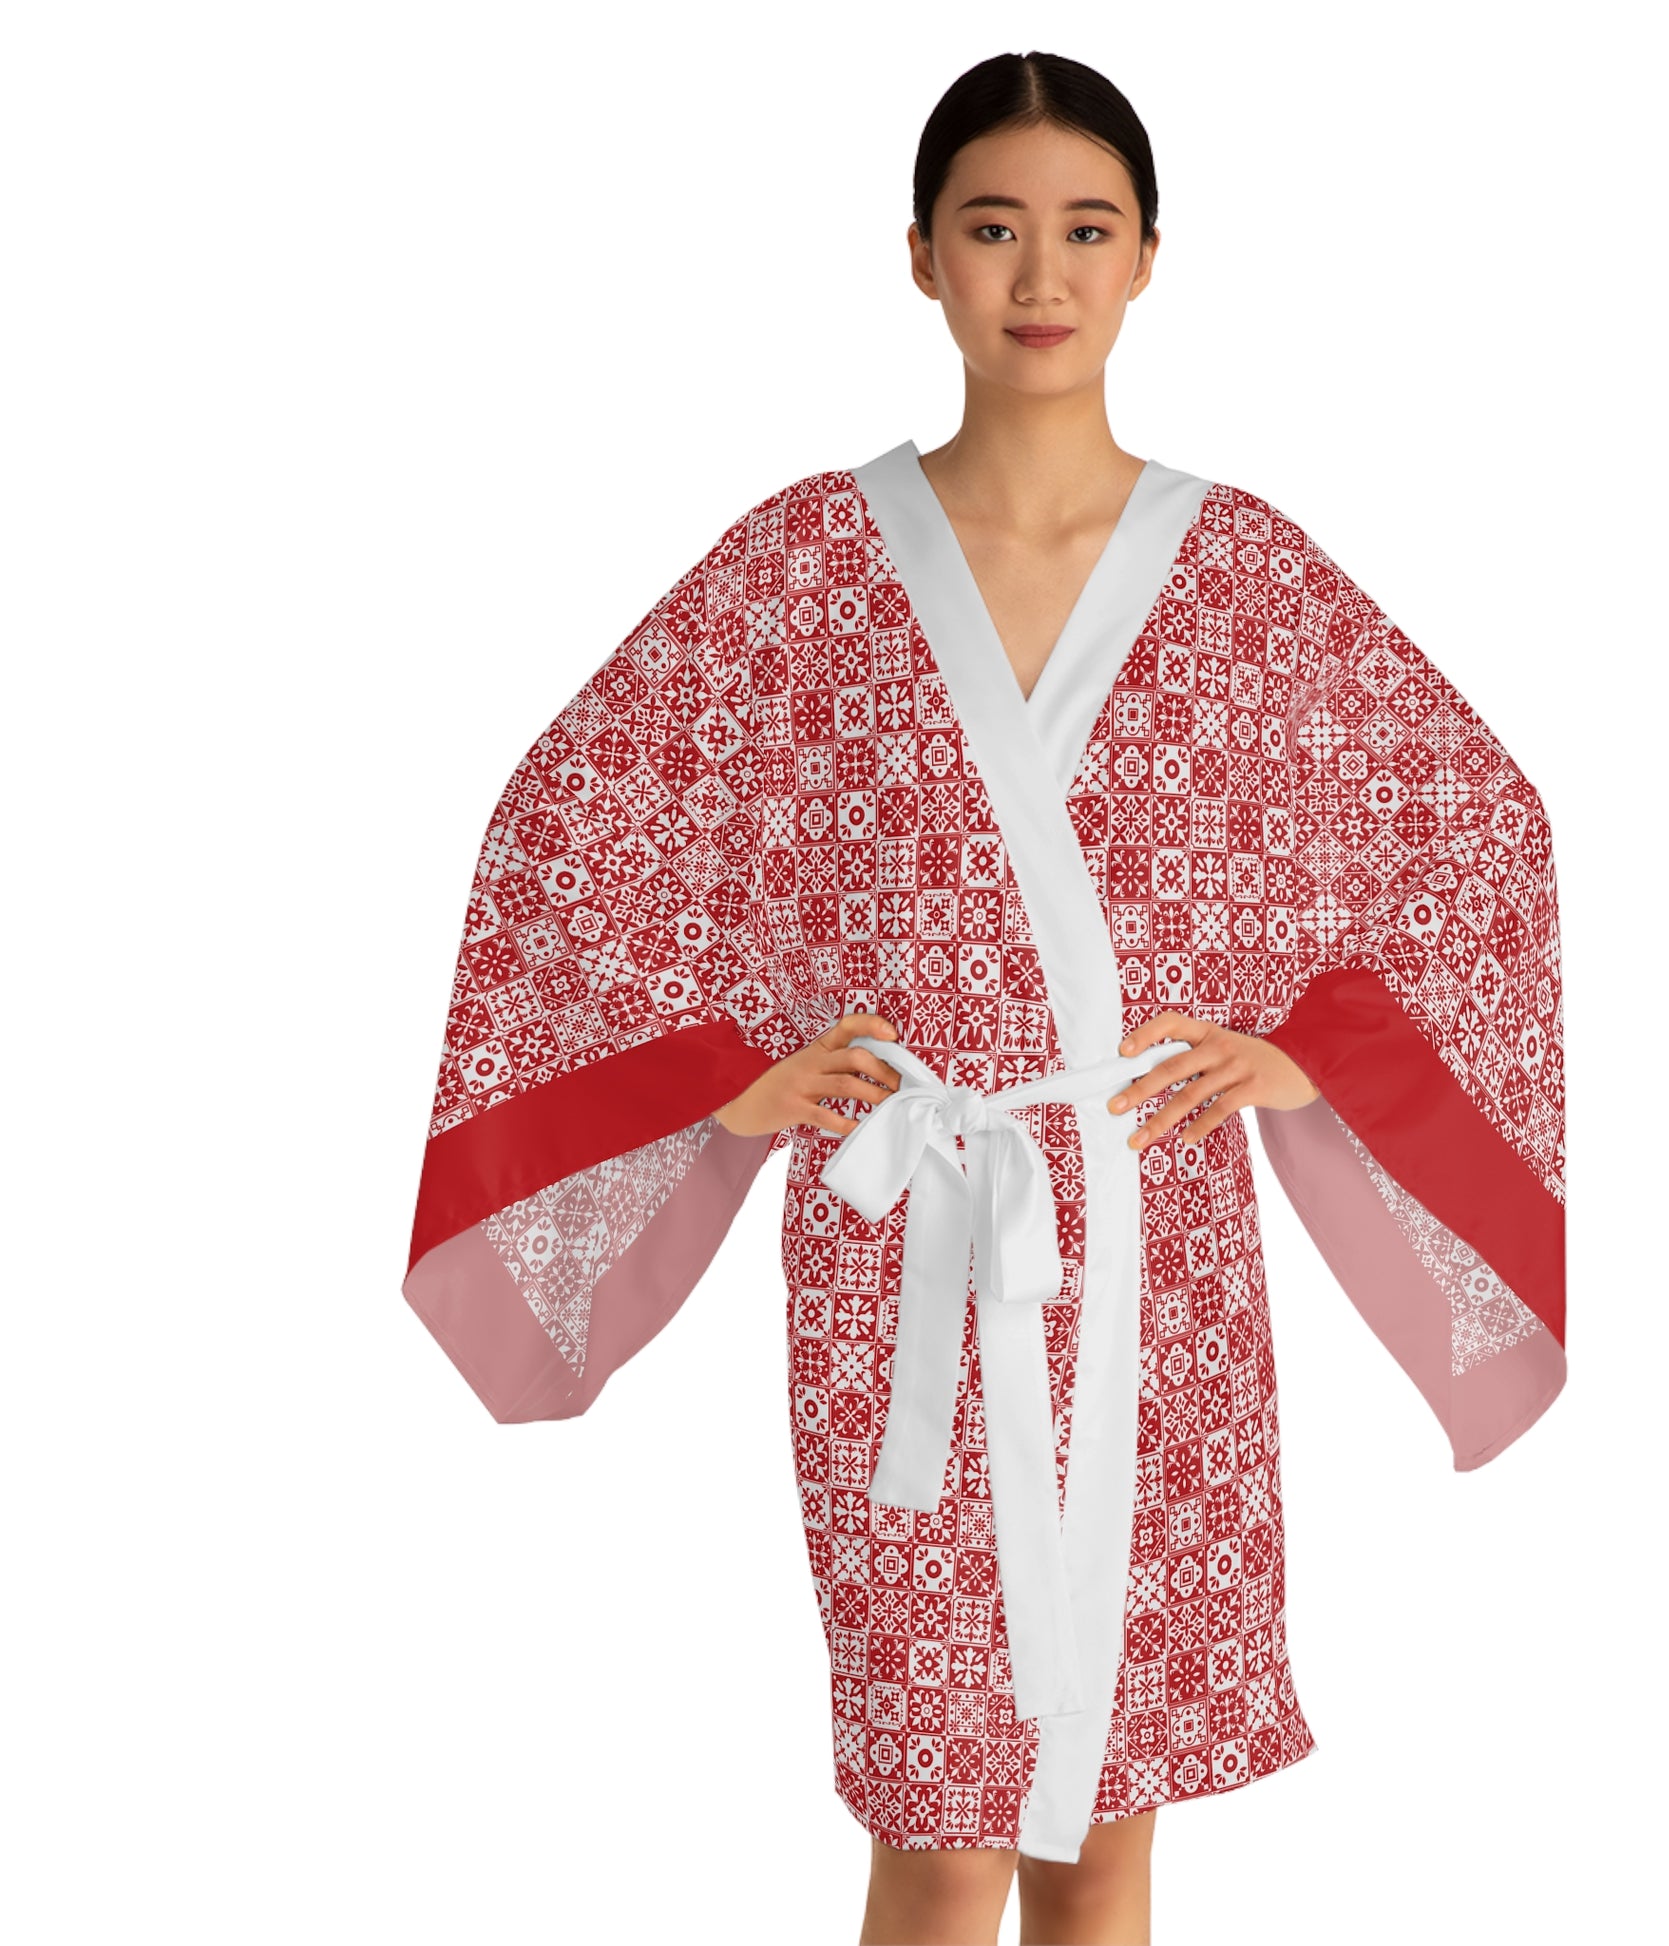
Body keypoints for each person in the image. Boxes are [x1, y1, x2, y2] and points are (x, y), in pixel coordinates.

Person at [401, 48, 1568, 1946]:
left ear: (1148, 257)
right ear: (922, 256)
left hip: (1156, 1244)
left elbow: (1473, 830)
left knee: (1105, 1834)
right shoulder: (806, 562)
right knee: (935, 1829)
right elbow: (579, 819)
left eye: (1085, 229)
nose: (1040, 273)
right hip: (905, 1254)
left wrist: (1308, 1053)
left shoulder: (1244, 574)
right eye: (993, 227)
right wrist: (719, 1074)